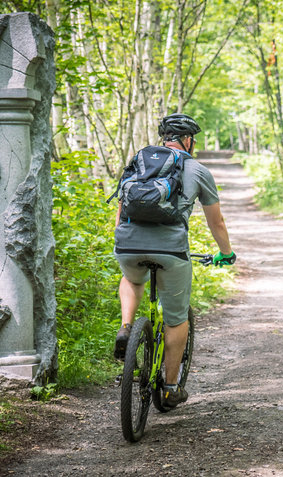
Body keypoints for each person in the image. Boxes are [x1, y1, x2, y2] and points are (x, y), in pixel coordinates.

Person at [112, 112, 236, 410]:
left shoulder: (139, 160)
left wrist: (122, 240)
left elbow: (120, 208)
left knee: (131, 278)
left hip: (127, 244)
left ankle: (127, 327)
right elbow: (216, 222)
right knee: (176, 317)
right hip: (170, 250)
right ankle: (169, 388)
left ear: (164, 138)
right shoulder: (197, 169)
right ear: (189, 140)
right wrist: (226, 252)